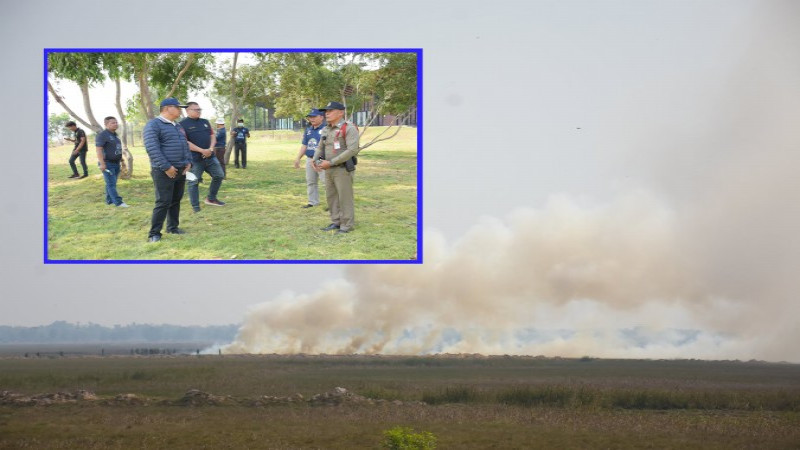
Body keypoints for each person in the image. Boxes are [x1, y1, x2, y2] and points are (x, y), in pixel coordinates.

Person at [143, 98, 193, 243]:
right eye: (178, 107)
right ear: (167, 108)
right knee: (163, 201)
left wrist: (188, 162)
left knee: (175, 200)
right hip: (163, 171)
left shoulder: (177, 126)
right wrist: (166, 167)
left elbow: (185, 144)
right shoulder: (153, 125)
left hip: (180, 169)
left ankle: (172, 227)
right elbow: (152, 148)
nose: (180, 110)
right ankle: (154, 233)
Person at [313, 101, 360, 234]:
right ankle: (336, 222)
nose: (327, 114)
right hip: (328, 168)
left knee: (345, 198)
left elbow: (352, 150)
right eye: (326, 111)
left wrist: (332, 162)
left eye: (330, 111)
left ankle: (347, 225)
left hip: (342, 169)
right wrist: (315, 159)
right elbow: (321, 146)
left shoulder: (349, 128)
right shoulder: (327, 128)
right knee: (331, 197)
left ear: (341, 112)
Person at [180, 102, 226, 213]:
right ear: (187, 111)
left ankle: (211, 198)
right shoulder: (182, 124)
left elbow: (212, 136)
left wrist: (210, 149)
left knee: (219, 175)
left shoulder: (205, 122)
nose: (198, 111)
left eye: (199, 109)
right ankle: (195, 207)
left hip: (210, 156)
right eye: (195, 109)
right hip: (194, 159)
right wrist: (202, 151)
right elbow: (185, 142)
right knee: (193, 182)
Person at [294, 109, 326, 208]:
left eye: (314, 116)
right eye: (310, 117)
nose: (311, 119)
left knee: (326, 182)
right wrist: (298, 158)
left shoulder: (326, 129)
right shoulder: (308, 129)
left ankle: (333, 204)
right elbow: (305, 145)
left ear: (321, 117)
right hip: (309, 158)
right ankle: (312, 202)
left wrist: (320, 160)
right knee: (311, 181)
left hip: (321, 158)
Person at [94, 116, 128, 207]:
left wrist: (122, 161)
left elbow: (117, 149)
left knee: (111, 183)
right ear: (106, 124)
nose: (115, 124)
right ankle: (118, 202)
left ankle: (109, 201)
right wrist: (102, 163)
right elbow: (98, 150)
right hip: (107, 163)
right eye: (112, 122)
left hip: (116, 163)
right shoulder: (102, 135)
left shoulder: (115, 135)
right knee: (111, 184)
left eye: (116, 122)